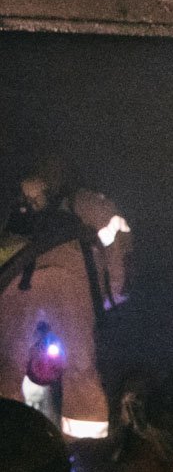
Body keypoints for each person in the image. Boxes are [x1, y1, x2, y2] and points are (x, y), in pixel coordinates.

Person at [0, 160, 131, 445]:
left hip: (16, 285)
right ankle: (86, 450)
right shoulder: (88, 202)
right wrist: (111, 297)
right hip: (70, 285)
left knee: (7, 367)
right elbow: (118, 252)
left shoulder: (14, 205)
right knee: (81, 368)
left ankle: (9, 443)